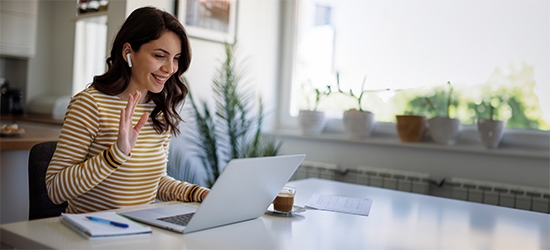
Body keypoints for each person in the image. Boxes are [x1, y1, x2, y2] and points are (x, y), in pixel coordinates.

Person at [46, 6, 209, 214]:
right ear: (128, 52)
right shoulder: (90, 105)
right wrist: (116, 154)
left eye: (176, 58)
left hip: (140, 232)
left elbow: (153, 182)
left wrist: (200, 194)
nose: (170, 69)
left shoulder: (159, 109)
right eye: (160, 56)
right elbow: (55, 189)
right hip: (92, 234)